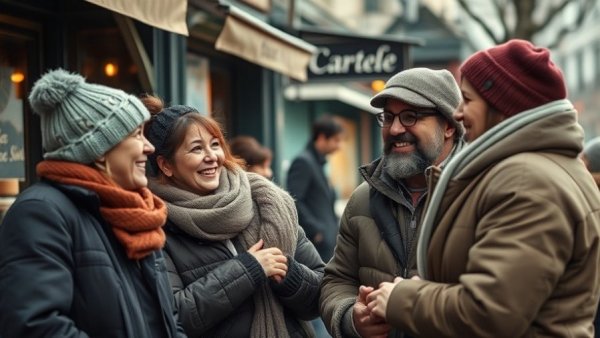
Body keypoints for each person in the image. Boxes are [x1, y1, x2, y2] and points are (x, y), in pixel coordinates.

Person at [365, 39, 600, 337]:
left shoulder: (527, 181)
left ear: (502, 105)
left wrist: (402, 299)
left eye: (468, 99)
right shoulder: (544, 169)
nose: (459, 114)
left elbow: (490, 311)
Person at [0, 69, 185, 337]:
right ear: (98, 148)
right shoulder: (41, 212)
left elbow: (168, 322)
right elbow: (36, 327)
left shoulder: (134, 213)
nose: (149, 147)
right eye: (136, 134)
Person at [141, 95, 324, 338]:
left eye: (215, 144)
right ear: (166, 165)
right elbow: (175, 317)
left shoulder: (267, 203)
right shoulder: (157, 224)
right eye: (197, 148)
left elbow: (322, 294)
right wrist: (248, 270)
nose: (212, 156)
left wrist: (290, 275)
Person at [319, 67, 464, 338]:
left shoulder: (479, 194)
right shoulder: (362, 199)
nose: (395, 129)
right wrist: (351, 316)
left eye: (410, 116)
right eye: (388, 117)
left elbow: (496, 300)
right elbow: (337, 280)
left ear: (447, 125)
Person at [286, 115, 343, 263]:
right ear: (322, 137)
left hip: (327, 243)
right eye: (336, 140)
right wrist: (317, 231)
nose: (339, 146)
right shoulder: (303, 162)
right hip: (315, 245)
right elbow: (294, 200)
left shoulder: (318, 163)